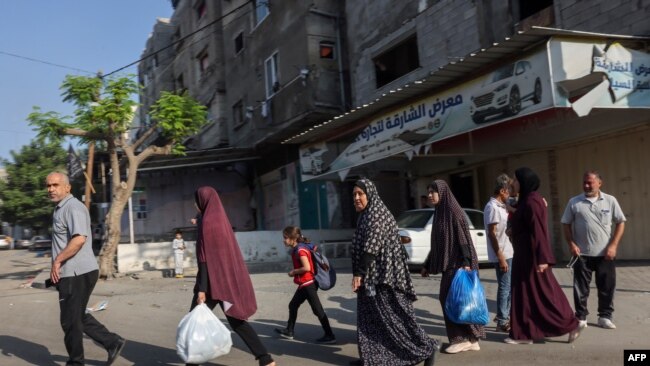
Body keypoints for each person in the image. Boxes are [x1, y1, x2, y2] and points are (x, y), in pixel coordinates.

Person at [351, 178, 438, 366]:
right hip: (373, 278)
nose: (356, 198)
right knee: (372, 320)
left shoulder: (376, 214)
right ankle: (371, 357)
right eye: (354, 194)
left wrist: (359, 273)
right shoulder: (365, 215)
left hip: (386, 278)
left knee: (396, 319)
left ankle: (427, 349)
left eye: (360, 194)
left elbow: (371, 247)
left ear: (370, 194)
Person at [188, 186, 275, 366]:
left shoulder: (207, 223)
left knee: (194, 322)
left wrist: (202, 289)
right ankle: (265, 360)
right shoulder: (219, 219)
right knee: (237, 321)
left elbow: (205, 258)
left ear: (203, 201)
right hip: (225, 282)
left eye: (196, 201)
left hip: (211, 284)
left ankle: (192, 362)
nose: (195, 204)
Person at [45, 172, 125, 366]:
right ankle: (112, 342)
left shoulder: (73, 207)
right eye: (48, 186)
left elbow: (79, 239)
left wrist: (57, 262)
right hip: (71, 272)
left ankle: (76, 362)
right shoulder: (60, 208)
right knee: (77, 316)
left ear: (67, 187)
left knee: (70, 321)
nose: (51, 189)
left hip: (77, 272)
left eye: (55, 185)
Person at [506, 167, 584, 345]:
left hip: (532, 257)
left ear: (525, 182)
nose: (513, 183)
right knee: (526, 294)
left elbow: (539, 231)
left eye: (516, 180)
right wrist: (513, 229)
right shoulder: (526, 200)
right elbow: (523, 222)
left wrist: (543, 258)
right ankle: (524, 333)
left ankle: (571, 324)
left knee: (544, 294)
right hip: (524, 256)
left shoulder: (533, 201)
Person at [421, 179, 485, 354]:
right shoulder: (440, 212)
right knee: (461, 301)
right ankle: (472, 339)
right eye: (428, 192)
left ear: (442, 192)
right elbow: (437, 244)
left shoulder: (453, 211)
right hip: (451, 263)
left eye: (432, 192)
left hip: (459, 263)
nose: (429, 195)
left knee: (452, 299)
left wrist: (465, 263)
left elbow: (463, 239)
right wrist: (427, 264)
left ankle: (460, 339)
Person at [561, 171, 626, 330]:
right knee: (580, 288)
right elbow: (566, 223)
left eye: (590, 182)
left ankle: (605, 317)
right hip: (581, 254)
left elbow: (621, 222)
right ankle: (581, 317)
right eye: (584, 182)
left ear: (599, 183)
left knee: (607, 287)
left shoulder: (610, 201)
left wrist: (613, 245)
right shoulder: (574, 202)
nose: (586, 186)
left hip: (605, 255)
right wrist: (571, 243)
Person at [274, 226, 336, 344]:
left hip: (308, 284)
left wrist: (294, 272)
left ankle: (330, 335)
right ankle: (289, 331)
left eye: (285, 238)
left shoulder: (300, 250)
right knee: (293, 305)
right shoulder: (299, 248)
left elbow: (306, 267)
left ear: (293, 239)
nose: (284, 240)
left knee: (317, 310)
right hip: (305, 284)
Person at [483, 174, 514, 333]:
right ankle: (502, 320)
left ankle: (504, 314)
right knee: (505, 287)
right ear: (502, 190)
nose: (510, 193)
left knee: (509, 286)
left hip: (509, 251)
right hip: (502, 253)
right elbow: (492, 233)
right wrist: (500, 256)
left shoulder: (502, 205)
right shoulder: (492, 207)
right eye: (508, 190)